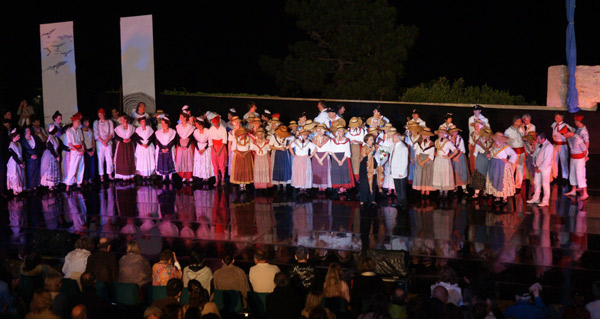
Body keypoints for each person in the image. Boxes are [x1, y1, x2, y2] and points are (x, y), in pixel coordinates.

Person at [486, 132, 517, 203]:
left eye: (497, 139)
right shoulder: (494, 145)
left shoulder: (506, 147)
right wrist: (489, 155)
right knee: (495, 178)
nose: (496, 140)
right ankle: (497, 196)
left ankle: (504, 196)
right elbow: (492, 153)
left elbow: (514, 154)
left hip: (502, 165)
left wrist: (508, 161)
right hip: (494, 164)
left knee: (503, 180)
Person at [561, 126, 589, 200]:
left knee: (580, 175)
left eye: (563, 134)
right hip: (573, 158)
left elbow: (584, 149)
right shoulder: (569, 138)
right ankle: (573, 190)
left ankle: (585, 193)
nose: (563, 136)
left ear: (568, 132)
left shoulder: (578, 138)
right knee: (572, 174)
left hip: (579, 159)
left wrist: (584, 157)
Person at [527, 133, 553, 207]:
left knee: (545, 184)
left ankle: (545, 201)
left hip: (545, 168)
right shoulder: (539, 144)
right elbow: (535, 155)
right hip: (537, 167)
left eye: (538, 139)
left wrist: (540, 168)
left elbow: (547, 160)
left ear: (543, 139)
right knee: (536, 182)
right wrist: (535, 165)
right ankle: (536, 198)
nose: (537, 140)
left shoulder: (549, 146)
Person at [40, 125, 68, 190]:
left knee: (55, 169)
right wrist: (56, 156)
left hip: (55, 153)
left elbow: (61, 145)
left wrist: (69, 149)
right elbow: (51, 149)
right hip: (50, 155)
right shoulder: (50, 139)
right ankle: (50, 185)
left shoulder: (56, 138)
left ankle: (54, 183)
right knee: (50, 170)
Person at [432, 129, 457, 198]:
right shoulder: (436, 141)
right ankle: (440, 192)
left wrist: (449, 157)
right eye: (440, 133)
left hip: (445, 160)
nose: (441, 134)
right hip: (438, 159)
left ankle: (445, 193)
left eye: (443, 133)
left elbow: (455, 150)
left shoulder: (447, 142)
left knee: (445, 175)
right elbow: (435, 149)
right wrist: (435, 153)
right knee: (439, 174)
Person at [63, 113, 85, 191]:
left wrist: (83, 148)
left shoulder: (79, 130)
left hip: (80, 150)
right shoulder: (69, 131)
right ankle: (68, 184)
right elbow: (70, 144)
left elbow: (82, 141)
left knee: (81, 166)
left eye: (79, 121)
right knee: (73, 167)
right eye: (78, 121)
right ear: (74, 122)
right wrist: (78, 150)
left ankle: (79, 183)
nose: (79, 123)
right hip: (74, 151)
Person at [330, 126, 354, 194]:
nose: (341, 132)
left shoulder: (346, 140)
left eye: (342, 131)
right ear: (337, 132)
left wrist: (342, 160)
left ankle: (343, 187)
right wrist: (338, 161)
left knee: (344, 172)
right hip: (336, 158)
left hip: (344, 157)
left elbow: (347, 151)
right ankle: (338, 187)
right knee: (337, 173)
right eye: (339, 131)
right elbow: (332, 151)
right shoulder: (333, 140)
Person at [470, 127, 492, 198]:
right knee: (479, 175)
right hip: (480, 160)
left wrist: (490, 155)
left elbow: (492, 151)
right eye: (486, 136)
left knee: (487, 175)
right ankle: (476, 193)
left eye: (488, 136)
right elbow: (475, 154)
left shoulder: (491, 142)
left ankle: (486, 191)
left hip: (488, 160)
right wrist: (475, 164)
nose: (487, 137)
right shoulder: (479, 142)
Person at [505, 116, 526, 191]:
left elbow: (523, 139)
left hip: (521, 151)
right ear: (515, 122)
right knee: (511, 169)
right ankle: (509, 185)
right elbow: (505, 143)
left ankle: (518, 186)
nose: (521, 123)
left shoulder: (521, 129)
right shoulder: (508, 131)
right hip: (513, 152)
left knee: (520, 169)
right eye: (520, 121)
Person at [93, 108, 115, 182]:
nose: (100, 116)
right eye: (99, 114)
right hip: (100, 143)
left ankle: (110, 174)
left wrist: (107, 140)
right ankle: (101, 175)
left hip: (108, 142)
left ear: (104, 114)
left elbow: (112, 133)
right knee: (101, 159)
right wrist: (102, 141)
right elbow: (96, 134)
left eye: (101, 114)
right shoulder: (96, 122)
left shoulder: (109, 122)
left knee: (109, 158)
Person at [413, 127, 435, 198]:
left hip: (427, 161)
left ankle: (427, 190)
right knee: (421, 175)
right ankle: (422, 190)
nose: (424, 136)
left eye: (425, 135)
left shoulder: (431, 144)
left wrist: (424, 162)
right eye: (423, 134)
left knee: (427, 176)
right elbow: (417, 153)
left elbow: (431, 156)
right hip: (420, 160)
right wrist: (419, 161)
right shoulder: (419, 142)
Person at [113, 115, 136, 181]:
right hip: (122, 145)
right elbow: (116, 136)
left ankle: (130, 175)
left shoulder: (131, 127)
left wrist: (130, 139)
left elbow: (134, 136)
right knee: (122, 160)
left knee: (130, 159)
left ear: (126, 120)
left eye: (122, 119)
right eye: (120, 119)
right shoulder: (118, 128)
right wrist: (122, 140)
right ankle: (123, 177)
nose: (121, 121)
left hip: (129, 145)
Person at [551, 112, 572, 180]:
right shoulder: (554, 124)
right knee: (554, 160)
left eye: (558, 117)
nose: (556, 119)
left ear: (561, 118)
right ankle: (555, 175)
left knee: (563, 161)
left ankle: (565, 177)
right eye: (555, 117)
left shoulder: (565, 125)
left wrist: (566, 134)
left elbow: (572, 131)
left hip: (562, 145)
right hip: (555, 145)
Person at [155, 116, 177, 182]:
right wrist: (162, 148)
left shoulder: (172, 131)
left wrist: (168, 148)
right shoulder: (158, 132)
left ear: (168, 123)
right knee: (162, 163)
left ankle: (170, 178)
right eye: (162, 123)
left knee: (170, 163)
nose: (163, 125)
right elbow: (157, 141)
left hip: (169, 149)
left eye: (164, 123)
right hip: (161, 150)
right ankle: (163, 177)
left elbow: (173, 141)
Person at [389, 132, 408, 208]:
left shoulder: (403, 147)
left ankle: (403, 203)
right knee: (397, 187)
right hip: (394, 170)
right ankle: (399, 201)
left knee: (402, 188)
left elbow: (404, 161)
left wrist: (401, 172)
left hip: (400, 171)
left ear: (398, 138)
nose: (392, 139)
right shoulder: (393, 145)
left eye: (393, 137)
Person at [208, 116, 228, 186]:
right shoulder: (211, 129)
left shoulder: (223, 129)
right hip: (214, 147)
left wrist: (219, 151)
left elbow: (224, 140)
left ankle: (222, 179)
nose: (215, 125)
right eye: (214, 123)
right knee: (215, 163)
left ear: (219, 122)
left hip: (221, 147)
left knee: (222, 162)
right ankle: (216, 180)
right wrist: (214, 150)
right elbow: (210, 140)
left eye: (216, 123)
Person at [192, 119, 213, 186]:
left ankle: (206, 176)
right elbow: (195, 141)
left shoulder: (207, 131)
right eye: (197, 125)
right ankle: (200, 175)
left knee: (206, 161)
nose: (198, 126)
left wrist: (204, 149)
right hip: (198, 147)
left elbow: (209, 141)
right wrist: (198, 149)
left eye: (200, 124)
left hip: (206, 148)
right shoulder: (195, 131)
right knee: (199, 161)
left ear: (202, 124)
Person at [175, 112, 195, 183]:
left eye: (181, 117)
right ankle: (183, 176)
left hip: (188, 144)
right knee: (182, 160)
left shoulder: (190, 126)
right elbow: (177, 137)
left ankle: (189, 176)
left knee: (188, 160)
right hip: (181, 144)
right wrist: (180, 145)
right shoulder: (178, 126)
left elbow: (191, 137)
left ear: (185, 118)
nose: (180, 118)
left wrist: (187, 145)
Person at [449, 126, 469, 194]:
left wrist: (457, 157)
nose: (455, 132)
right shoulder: (448, 139)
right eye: (453, 131)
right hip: (452, 155)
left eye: (456, 131)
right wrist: (451, 157)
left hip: (459, 156)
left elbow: (462, 149)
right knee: (453, 171)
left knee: (462, 170)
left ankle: (464, 187)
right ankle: (455, 186)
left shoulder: (460, 138)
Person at [312, 124, 331, 192]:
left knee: (324, 171)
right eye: (317, 131)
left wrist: (321, 159)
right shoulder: (314, 139)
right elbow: (313, 149)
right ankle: (318, 186)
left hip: (324, 156)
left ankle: (323, 187)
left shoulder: (327, 139)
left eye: (320, 131)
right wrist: (318, 159)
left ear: (323, 131)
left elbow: (328, 149)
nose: (318, 132)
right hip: (316, 156)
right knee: (317, 171)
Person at [360, 134, 378, 206]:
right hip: (365, 168)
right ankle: (363, 199)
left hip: (374, 167)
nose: (372, 141)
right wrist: (371, 152)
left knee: (373, 183)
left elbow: (382, 155)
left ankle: (372, 199)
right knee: (364, 184)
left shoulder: (375, 147)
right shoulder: (364, 148)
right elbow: (364, 158)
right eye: (370, 139)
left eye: (373, 139)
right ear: (366, 141)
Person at [7, 129, 26, 195]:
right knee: (15, 176)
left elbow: (21, 153)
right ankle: (15, 190)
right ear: (14, 136)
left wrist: (22, 161)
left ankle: (20, 189)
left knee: (21, 175)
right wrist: (20, 163)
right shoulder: (11, 145)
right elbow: (14, 156)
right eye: (18, 136)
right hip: (15, 162)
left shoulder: (18, 143)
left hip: (20, 160)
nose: (19, 137)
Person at [347, 117, 365, 183]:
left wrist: (356, 141)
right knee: (351, 162)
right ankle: (352, 179)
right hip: (350, 148)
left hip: (358, 148)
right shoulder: (348, 131)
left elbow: (363, 142)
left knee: (357, 162)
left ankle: (358, 179)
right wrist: (350, 142)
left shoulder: (361, 131)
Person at [81, 117, 96, 183]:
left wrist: (93, 149)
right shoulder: (81, 131)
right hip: (85, 150)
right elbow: (82, 142)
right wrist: (86, 151)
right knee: (86, 164)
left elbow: (93, 140)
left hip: (91, 149)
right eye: (86, 122)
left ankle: (91, 178)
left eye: (88, 122)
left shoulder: (91, 130)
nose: (88, 123)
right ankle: (86, 179)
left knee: (92, 164)